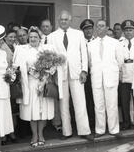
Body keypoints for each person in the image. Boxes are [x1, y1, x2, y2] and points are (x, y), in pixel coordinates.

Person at [48, 10, 92, 140]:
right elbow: (50, 56)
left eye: (66, 19)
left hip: (76, 73)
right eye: (61, 19)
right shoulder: (52, 36)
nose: (63, 21)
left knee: (80, 102)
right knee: (63, 103)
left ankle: (84, 131)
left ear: (70, 20)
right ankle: (66, 132)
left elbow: (83, 53)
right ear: (58, 20)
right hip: (60, 74)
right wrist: (52, 73)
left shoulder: (78, 34)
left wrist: (84, 70)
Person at [13, 27, 56, 147]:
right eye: (30, 37)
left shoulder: (46, 50)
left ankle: (41, 134)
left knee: (43, 111)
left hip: (44, 83)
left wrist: (43, 81)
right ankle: (34, 135)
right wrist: (33, 73)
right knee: (33, 111)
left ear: (39, 38)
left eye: (35, 37)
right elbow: (18, 67)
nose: (32, 39)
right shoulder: (23, 50)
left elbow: (53, 67)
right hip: (30, 84)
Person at [88, 19, 124, 137]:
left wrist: (114, 72)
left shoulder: (114, 42)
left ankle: (114, 130)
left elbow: (120, 61)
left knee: (112, 104)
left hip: (111, 77)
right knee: (98, 105)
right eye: (98, 26)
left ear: (107, 27)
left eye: (102, 26)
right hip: (97, 77)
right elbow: (89, 62)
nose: (100, 28)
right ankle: (100, 130)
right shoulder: (91, 44)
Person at [40, 19, 62, 132]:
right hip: (40, 74)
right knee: (43, 98)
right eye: (43, 26)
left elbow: (59, 55)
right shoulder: (38, 40)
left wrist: (53, 68)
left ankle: (57, 122)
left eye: (47, 26)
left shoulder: (56, 38)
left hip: (54, 73)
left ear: (51, 27)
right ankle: (43, 124)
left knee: (54, 97)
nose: (45, 28)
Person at [119, 20, 134, 130]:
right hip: (123, 77)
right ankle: (126, 123)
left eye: (130, 30)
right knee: (124, 102)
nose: (128, 32)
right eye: (126, 30)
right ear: (123, 31)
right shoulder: (119, 43)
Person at [80, 19, 95, 131]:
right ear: (83, 31)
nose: (88, 31)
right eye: (86, 29)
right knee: (86, 99)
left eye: (90, 28)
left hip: (96, 74)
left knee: (97, 99)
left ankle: (96, 121)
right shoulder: (80, 42)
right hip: (85, 74)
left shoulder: (97, 41)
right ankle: (88, 123)